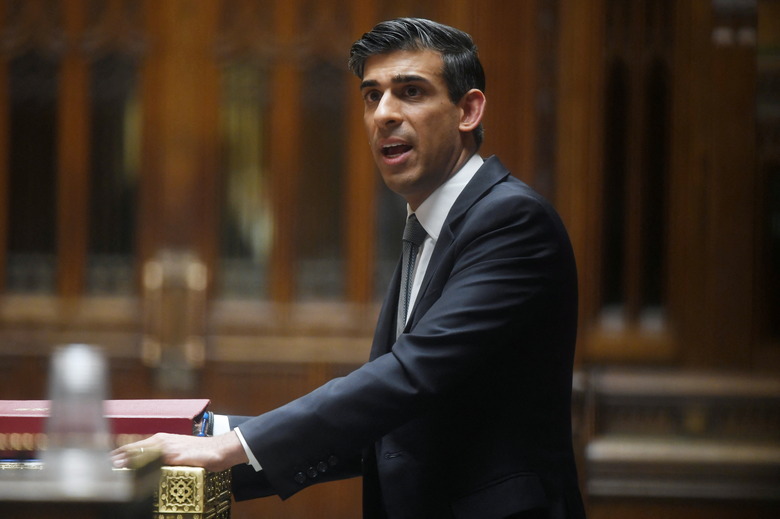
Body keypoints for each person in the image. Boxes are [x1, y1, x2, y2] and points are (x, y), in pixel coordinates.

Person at [113, 17, 586, 519]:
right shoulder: (429, 223)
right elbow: (392, 422)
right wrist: (215, 436)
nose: (384, 113)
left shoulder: (511, 220)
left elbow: (410, 376)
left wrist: (231, 447)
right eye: (371, 95)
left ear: (468, 110)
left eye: (410, 91)